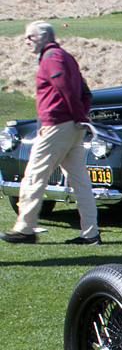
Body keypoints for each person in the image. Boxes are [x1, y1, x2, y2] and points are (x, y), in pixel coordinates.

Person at [1, 21, 100, 245]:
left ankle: (25, 228)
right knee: (80, 182)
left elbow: (66, 89)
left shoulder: (52, 58)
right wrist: (80, 117)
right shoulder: (63, 56)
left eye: (30, 37)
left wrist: (79, 116)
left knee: (34, 176)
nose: (27, 41)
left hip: (58, 127)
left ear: (45, 36)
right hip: (70, 128)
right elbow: (85, 92)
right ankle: (91, 233)